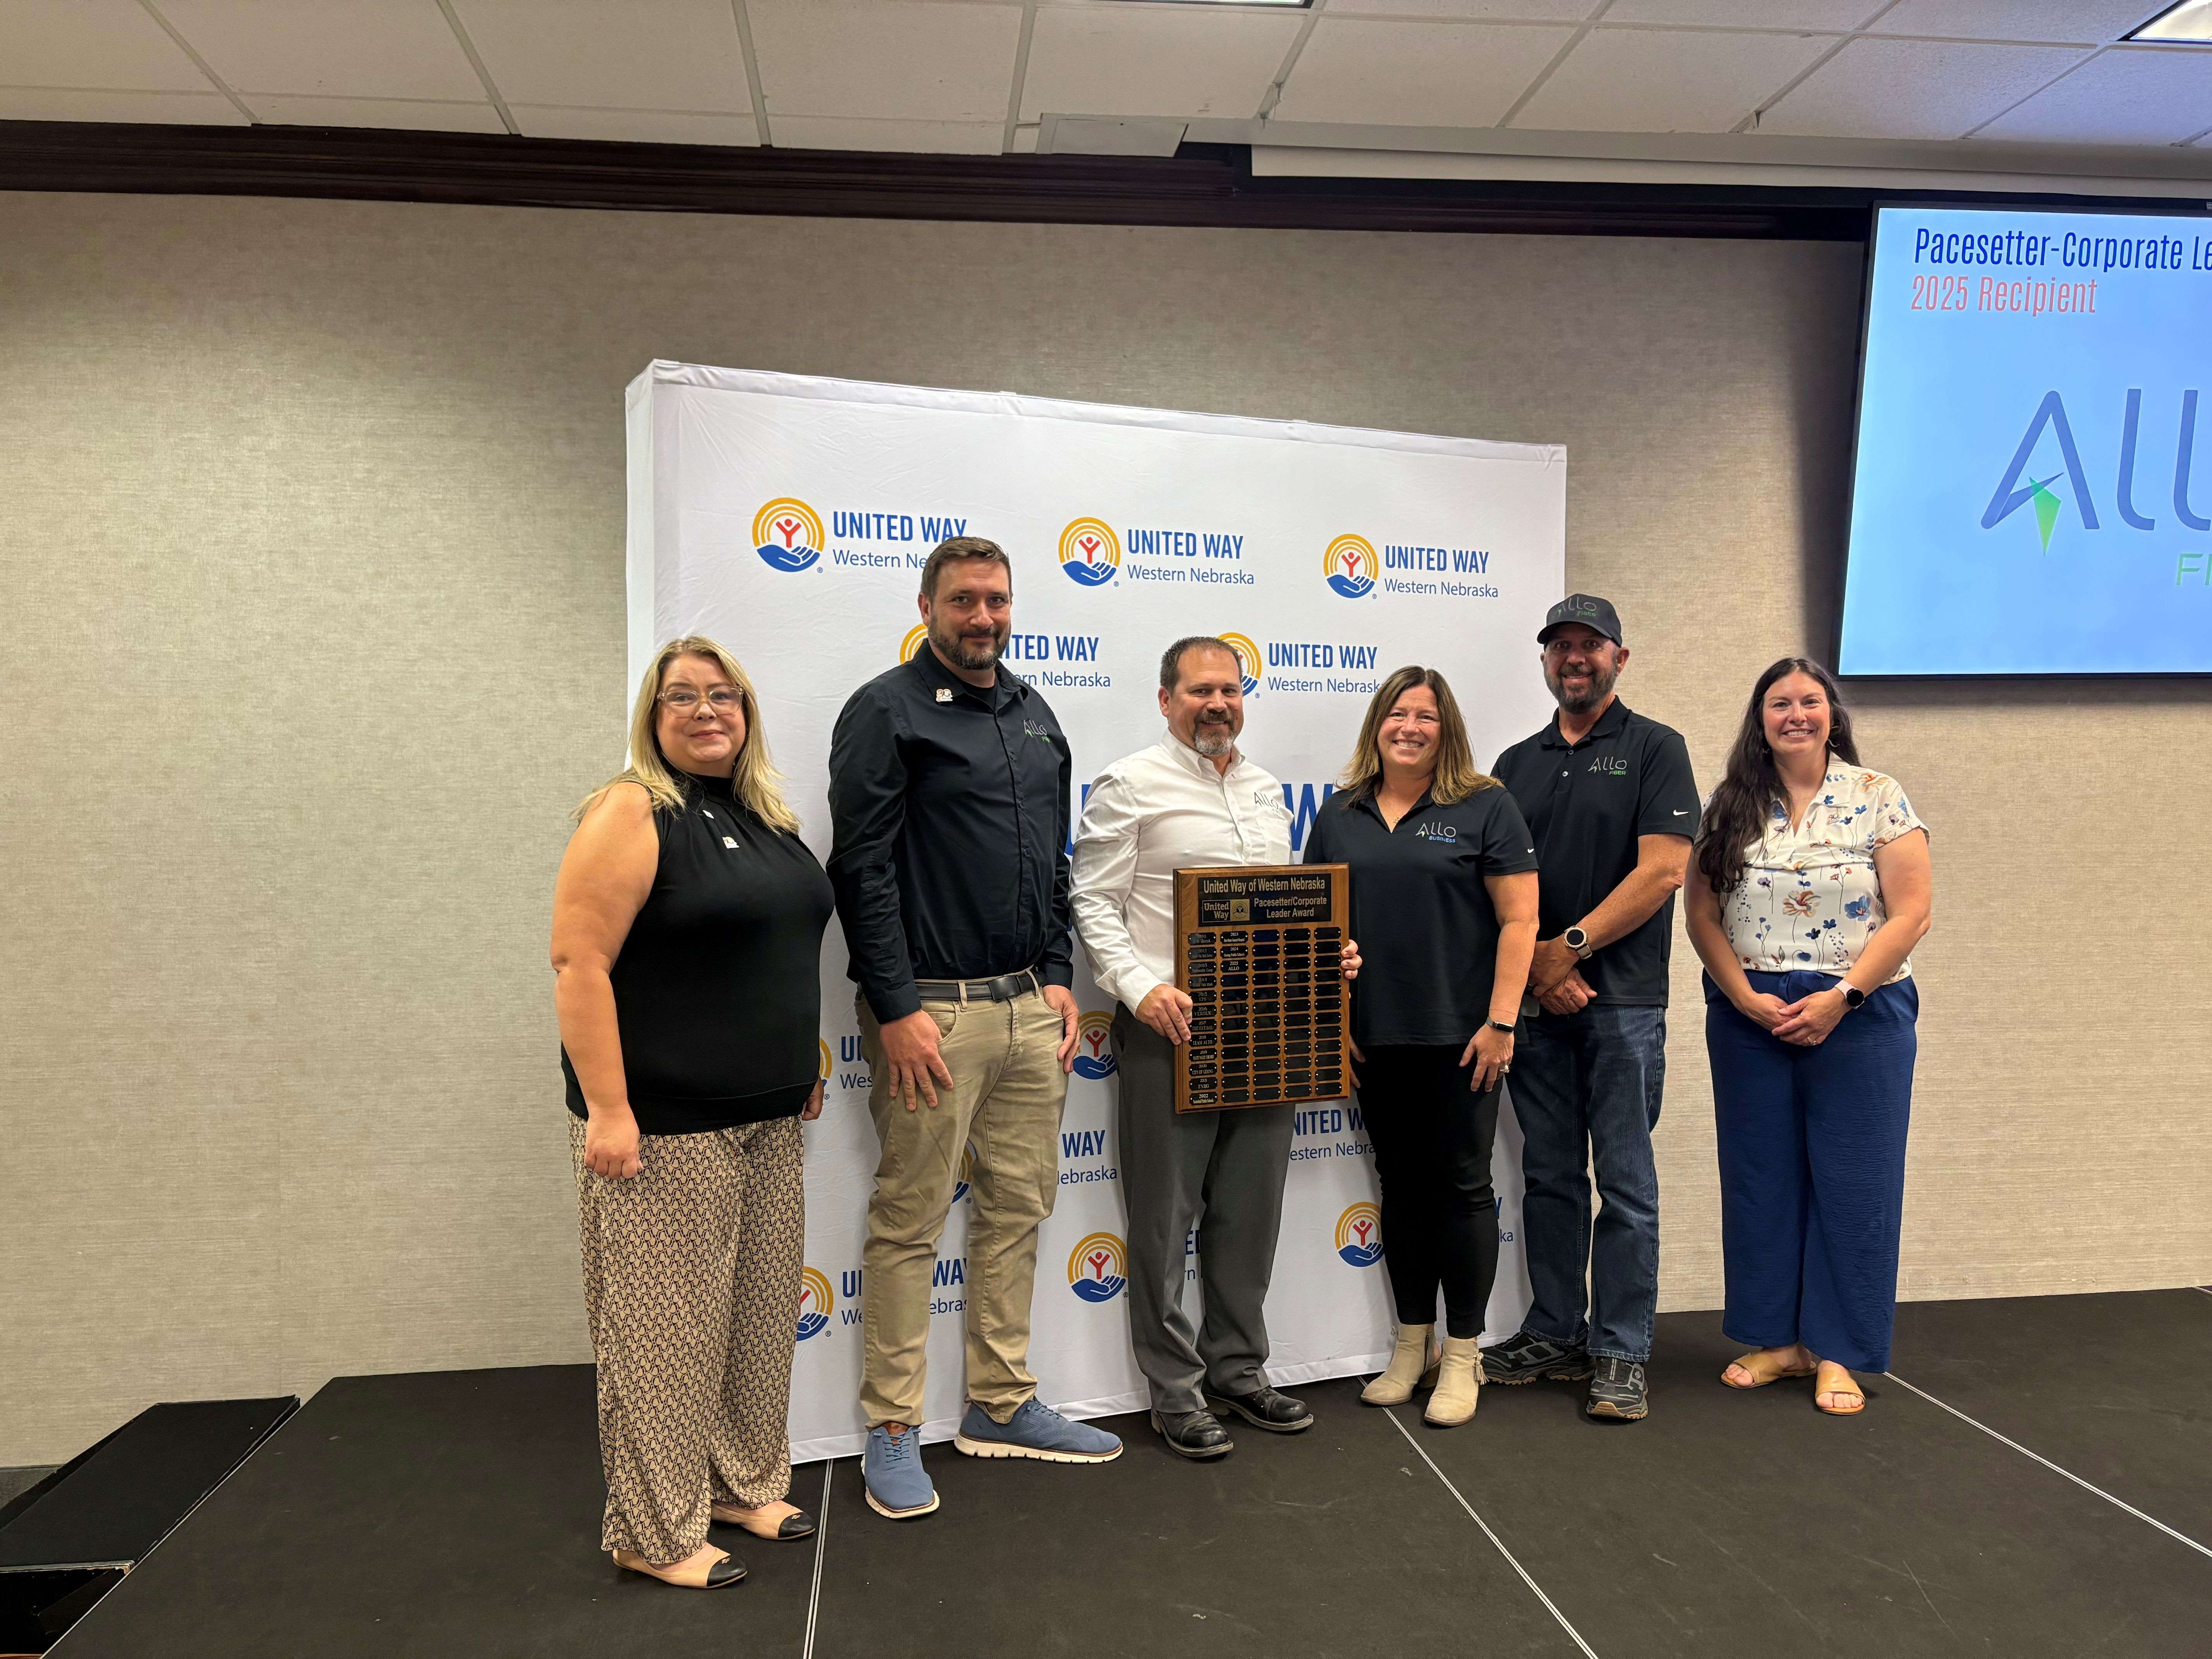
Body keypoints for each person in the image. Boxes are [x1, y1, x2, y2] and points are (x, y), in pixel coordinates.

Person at [828, 535, 1121, 1522]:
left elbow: (1052, 864)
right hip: (934, 1019)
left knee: (1017, 1209)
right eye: (964, 602)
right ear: (927, 605)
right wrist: (896, 1005)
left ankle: (1001, 1402)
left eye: (996, 600)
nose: (983, 618)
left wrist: (1054, 975)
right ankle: (892, 1427)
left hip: (1028, 1015)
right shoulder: (884, 711)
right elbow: (861, 872)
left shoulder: (1036, 717)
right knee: (911, 1223)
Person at [550, 635, 833, 1590]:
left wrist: (802, 1057)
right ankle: (652, 1531)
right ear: (652, 715)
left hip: (767, 1116)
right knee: (662, 1338)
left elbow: (777, 954)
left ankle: (738, 1485)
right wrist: (609, 1110)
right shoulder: (632, 809)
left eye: (724, 697)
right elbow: (578, 964)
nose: (706, 711)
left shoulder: (764, 815)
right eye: (683, 698)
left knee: (755, 1322)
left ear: (746, 712)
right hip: (663, 1124)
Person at [1072, 637, 1362, 1459]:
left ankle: (1239, 1368)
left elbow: (1284, 909)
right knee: (1167, 1222)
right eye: (1200, 691)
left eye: (1230, 691)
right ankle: (1174, 1389)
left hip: (1268, 1030)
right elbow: (1092, 905)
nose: (1217, 704)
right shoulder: (1130, 785)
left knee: (1249, 1214)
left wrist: (1327, 950)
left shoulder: (1269, 792)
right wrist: (1141, 990)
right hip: (1173, 1030)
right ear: (1166, 700)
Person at [1684, 658, 1932, 1416]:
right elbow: (1699, 915)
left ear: (1831, 713)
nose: (1796, 714)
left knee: (1855, 1182)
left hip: (1859, 1011)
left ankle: (1838, 1351)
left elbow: (1912, 912)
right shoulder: (1729, 804)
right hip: (1749, 1012)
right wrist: (1745, 999)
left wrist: (1842, 997)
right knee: (1762, 1179)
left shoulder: (1876, 796)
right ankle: (1780, 1341)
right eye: (1780, 703)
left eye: (1810, 701)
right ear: (1759, 719)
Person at [1304, 667, 1539, 1427]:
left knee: (1463, 1189)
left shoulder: (1485, 806)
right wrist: (1333, 1022)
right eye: (1398, 714)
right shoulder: (1340, 812)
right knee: (1400, 1187)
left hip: (1464, 1037)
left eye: (1426, 717)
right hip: (1375, 1036)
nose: (1410, 727)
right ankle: (1413, 1346)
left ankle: (1464, 1357)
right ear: (1378, 724)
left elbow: (1520, 921)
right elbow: (1317, 930)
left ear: (1448, 730)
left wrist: (1501, 1021)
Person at [1487, 595, 1698, 1422]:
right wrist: (1542, 974)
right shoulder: (1516, 760)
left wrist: (1564, 950)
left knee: (1627, 1185)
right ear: (1545, 661)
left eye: (1590, 646)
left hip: (1623, 1009)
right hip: (1542, 1005)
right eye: (1560, 646)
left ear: (1620, 657)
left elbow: (1662, 874)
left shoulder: (1656, 749)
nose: (1575, 658)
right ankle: (1554, 1332)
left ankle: (1620, 1351)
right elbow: (1495, 886)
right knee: (1548, 1177)